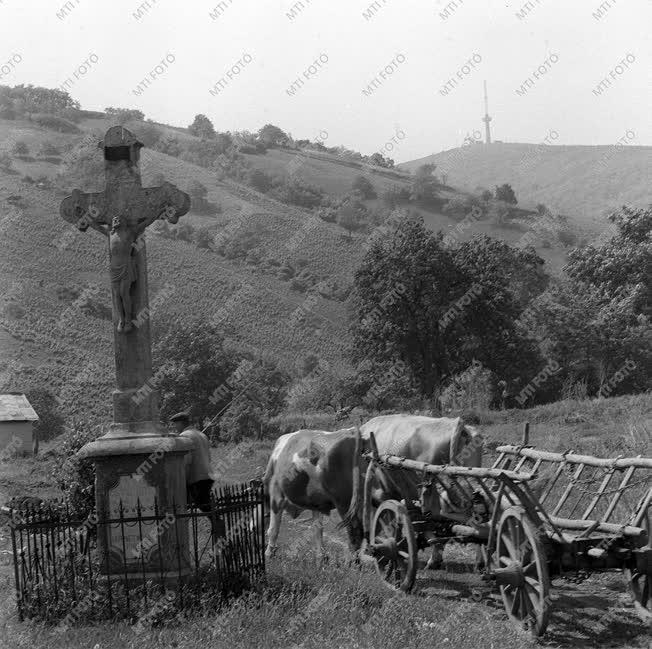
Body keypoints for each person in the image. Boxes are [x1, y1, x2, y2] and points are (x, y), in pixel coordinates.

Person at [170, 411, 224, 538]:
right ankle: (218, 530)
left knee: (182, 506)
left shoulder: (183, 437)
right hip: (207, 476)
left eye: (174, 424)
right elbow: (209, 457)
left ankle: (220, 533)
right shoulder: (201, 435)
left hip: (196, 479)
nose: (173, 427)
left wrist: (182, 482)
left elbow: (186, 462)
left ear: (181, 423)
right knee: (205, 505)